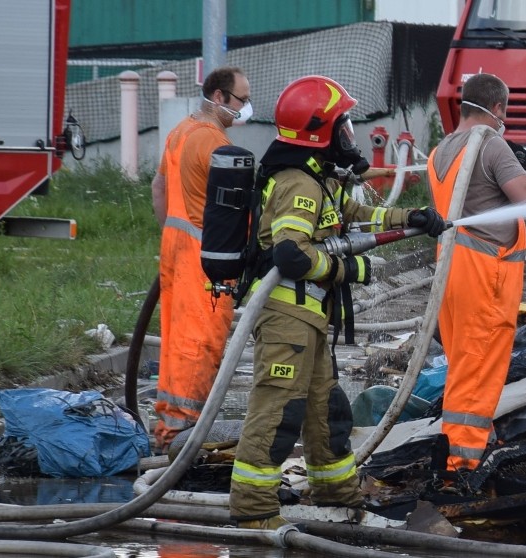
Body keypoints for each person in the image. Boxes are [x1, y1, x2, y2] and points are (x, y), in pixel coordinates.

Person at [228, 75, 445, 529]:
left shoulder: (318, 179)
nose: (350, 132)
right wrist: (350, 270)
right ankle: (253, 513)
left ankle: (333, 492)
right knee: (280, 412)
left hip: (309, 318)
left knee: (327, 409)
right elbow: (291, 253)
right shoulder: (299, 185)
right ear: (319, 130)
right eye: (343, 123)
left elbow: (359, 215)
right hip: (288, 316)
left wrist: (414, 218)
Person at [427, 73, 526, 472]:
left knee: (464, 363)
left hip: (452, 269)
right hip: (485, 271)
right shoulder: (491, 144)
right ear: (497, 108)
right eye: (503, 110)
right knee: (480, 363)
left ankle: (470, 443)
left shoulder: (441, 150)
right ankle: (463, 463)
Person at [150, 66, 252, 453]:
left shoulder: (180, 132)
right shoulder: (212, 140)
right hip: (205, 257)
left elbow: (158, 187)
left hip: (174, 249)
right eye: (241, 99)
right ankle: (182, 433)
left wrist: (171, 235)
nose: (245, 106)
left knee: (176, 339)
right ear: (219, 97)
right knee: (201, 340)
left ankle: (169, 423)